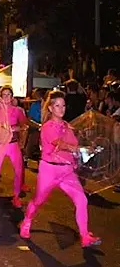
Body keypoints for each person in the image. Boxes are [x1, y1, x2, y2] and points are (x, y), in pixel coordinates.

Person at [19, 91, 102, 248]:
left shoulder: (67, 126)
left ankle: (85, 236)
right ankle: (27, 221)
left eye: (63, 105)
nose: (61, 109)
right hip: (49, 170)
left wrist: (88, 149)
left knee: (82, 200)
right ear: (50, 108)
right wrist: (79, 149)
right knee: (38, 201)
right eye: (57, 105)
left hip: (67, 171)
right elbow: (60, 144)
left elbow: (75, 145)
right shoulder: (47, 127)